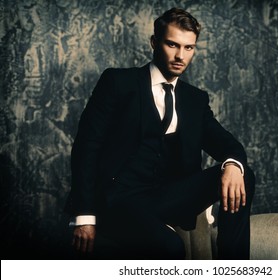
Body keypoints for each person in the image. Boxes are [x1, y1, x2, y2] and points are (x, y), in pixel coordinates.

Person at [65, 7, 255, 260]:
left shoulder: (194, 100)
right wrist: (84, 217)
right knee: (171, 248)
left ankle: (232, 269)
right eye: (172, 44)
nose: (180, 56)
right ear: (155, 42)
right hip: (120, 200)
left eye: (189, 48)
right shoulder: (118, 83)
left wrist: (231, 164)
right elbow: (86, 148)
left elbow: (227, 144)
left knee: (243, 173)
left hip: (166, 198)